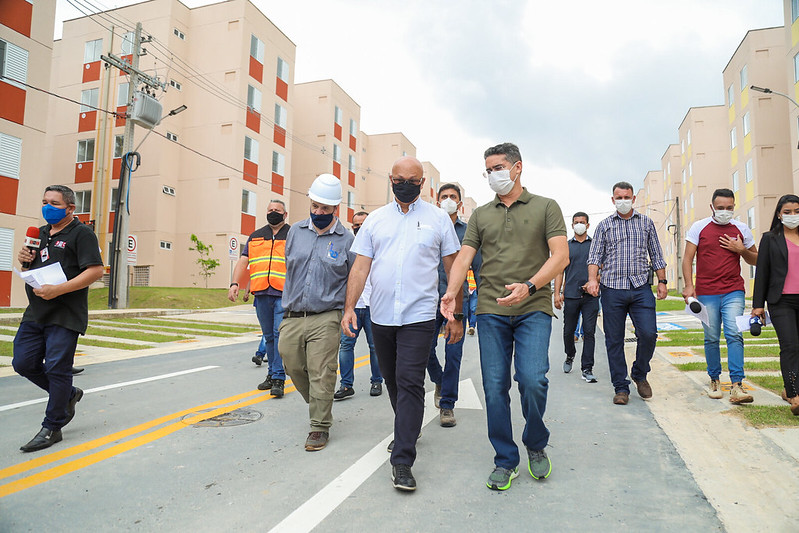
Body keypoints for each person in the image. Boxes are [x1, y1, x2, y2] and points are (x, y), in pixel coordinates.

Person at [442, 142, 569, 492]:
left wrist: (529, 286)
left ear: (517, 168)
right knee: (494, 387)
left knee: (532, 379)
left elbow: (560, 257)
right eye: (488, 170)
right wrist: (452, 293)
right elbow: (464, 258)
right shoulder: (481, 214)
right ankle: (505, 459)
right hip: (491, 310)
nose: (492, 175)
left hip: (533, 307)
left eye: (498, 167)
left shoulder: (546, 207)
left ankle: (535, 439)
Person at [343, 156, 462, 492]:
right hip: (381, 315)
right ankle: (409, 426)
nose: (405, 184)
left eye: (413, 179)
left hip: (420, 315)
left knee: (410, 381)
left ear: (423, 183)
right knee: (395, 381)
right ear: (391, 179)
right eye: (399, 179)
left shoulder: (439, 219)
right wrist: (349, 307)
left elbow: (454, 268)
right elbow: (360, 268)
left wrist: (458, 313)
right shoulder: (375, 221)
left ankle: (403, 460)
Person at [13, 185, 104, 452]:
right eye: (44, 201)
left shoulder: (82, 234)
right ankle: (69, 394)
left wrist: (58, 290)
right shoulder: (39, 234)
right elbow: (30, 266)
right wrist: (24, 261)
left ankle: (52, 427)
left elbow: (96, 271)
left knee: (56, 368)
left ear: (70, 208)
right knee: (22, 362)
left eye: (54, 203)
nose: (47, 207)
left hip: (66, 313)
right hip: (36, 311)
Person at [278, 175, 355, 451]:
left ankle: (319, 426)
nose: (319, 212)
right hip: (293, 314)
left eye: (325, 208)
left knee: (322, 371)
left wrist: (348, 311)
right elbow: (290, 268)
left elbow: (354, 278)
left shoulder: (347, 240)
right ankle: (320, 404)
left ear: (336, 208)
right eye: (315, 206)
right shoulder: (296, 232)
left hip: (327, 315)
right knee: (292, 364)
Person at [586, 181, 667, 405]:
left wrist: (662, 281)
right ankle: (621, 387)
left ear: (633, 199)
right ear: (613, 200)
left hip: (641, 288)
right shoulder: (604, 226)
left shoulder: (646, 223)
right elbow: (594, 257)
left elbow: (657, 255)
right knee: (614, 340)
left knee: (649, 334)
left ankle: (640, 373)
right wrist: (593, 279)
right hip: (612, 289)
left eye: (627, 197)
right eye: (619, 197)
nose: (623, 201)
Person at [682, 188, 757, 403]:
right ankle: (714, 379)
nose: (725, 211)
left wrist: (741, 249)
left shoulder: (741, 228)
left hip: (734, 290)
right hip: (707, 292)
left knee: (734, 334)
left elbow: (757, 259)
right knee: (712, 337)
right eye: (721, 208)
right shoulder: (699, 227)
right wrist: (689, 286)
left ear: (734, 206)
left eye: (729, 208)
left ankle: (736, 385)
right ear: (712, 207)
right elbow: (687, 259)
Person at [427, 183, 482, 427]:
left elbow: (479, 269)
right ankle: (439, 378)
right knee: (423, 350)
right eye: (444, 196)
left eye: (452, 197)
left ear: (459, 204)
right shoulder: (427, 227)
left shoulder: (469, 232)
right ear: (436, 200)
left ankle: (447, 405)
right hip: (427, 301)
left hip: (458, 301)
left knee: (453, 353)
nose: (448, 200)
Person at [228, 200, 290, 397]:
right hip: (261, 294)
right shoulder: (255, 237)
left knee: (280, 337)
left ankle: (279, 378)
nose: (273, 213)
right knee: (269, 337)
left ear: (285, 214)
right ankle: (272, 374)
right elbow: (244, 261)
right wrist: (235, 283)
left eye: (277, 211)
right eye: (270, 210)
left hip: (284, 294)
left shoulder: (293, 235)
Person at [752, 194, 799, 416]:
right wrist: (757, 305)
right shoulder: (770, 238)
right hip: (781, 301)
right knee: (790, 346)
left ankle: (789, 389)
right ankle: (794, 394)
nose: (792, 216)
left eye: (797, 211)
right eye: (787, 212)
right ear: (779, 214)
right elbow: (762, 273)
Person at [334, 211, 383, 400]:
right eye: (356, 225)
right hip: (352, 306)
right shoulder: (348, 247)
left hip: (373, 306)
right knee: (346, 346)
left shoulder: (379, 247)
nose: (359, 227)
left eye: (363, 224)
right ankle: (346, 385)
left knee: (375, 347)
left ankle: (377, 381)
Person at [554, 211, 599, 383]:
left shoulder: (595, 245)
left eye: (582, 222)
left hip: (591, 296)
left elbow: (603, 268)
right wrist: (557, 294)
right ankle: (570, 354)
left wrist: (595, 281)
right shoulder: (566, 246)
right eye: (576, 222)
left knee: (589, 332)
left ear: (588, 225)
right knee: (568, 332)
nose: (579, 224)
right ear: (572, 225)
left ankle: (587, 368)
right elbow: (559, 271)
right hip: (571, 295)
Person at [466, 269, 478, 335]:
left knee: (473, 309)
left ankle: (472, 326)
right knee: (470, 309)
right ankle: (471, 326)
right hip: (468, 288)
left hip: (473, 288)